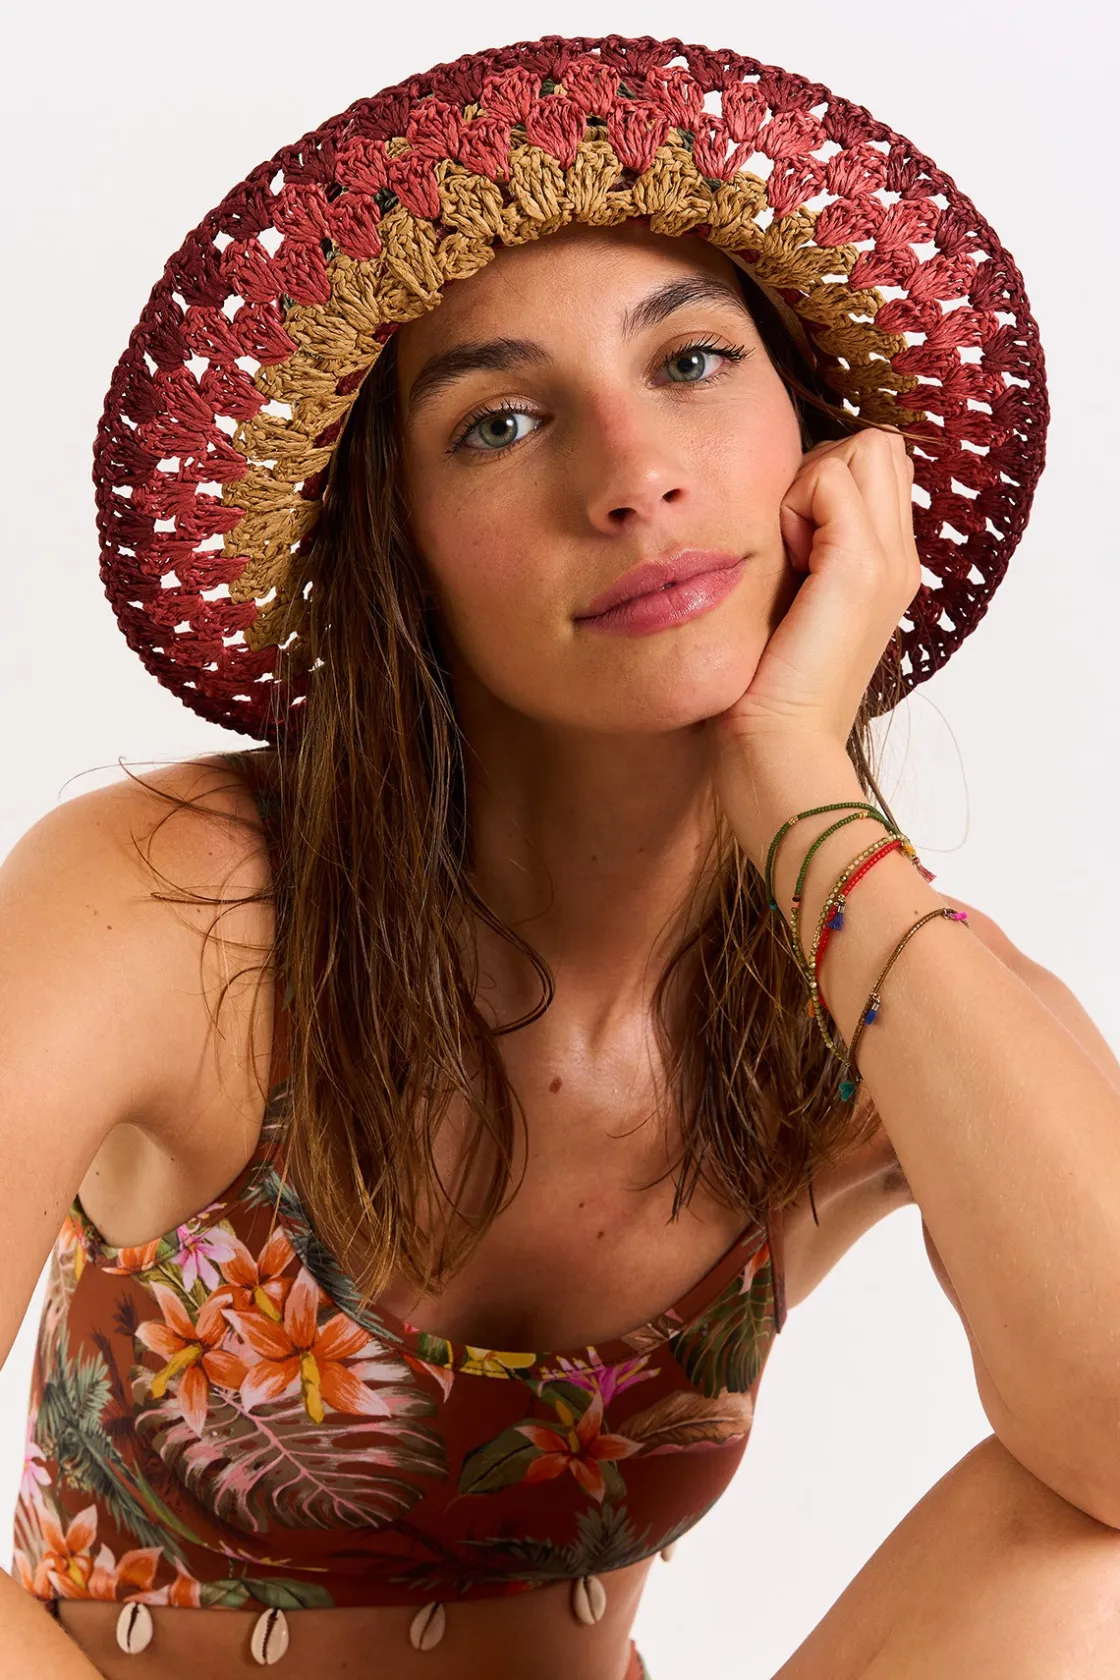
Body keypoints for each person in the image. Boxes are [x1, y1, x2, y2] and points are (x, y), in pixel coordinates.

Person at [7, 30, 1120, 1680]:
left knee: (1095, 1564)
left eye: (692, 363)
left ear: (823, 457)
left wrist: (803, 791)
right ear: (395, 543)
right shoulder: (176, 900)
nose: (634, 476)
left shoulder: (874, 985)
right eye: (503, 422)